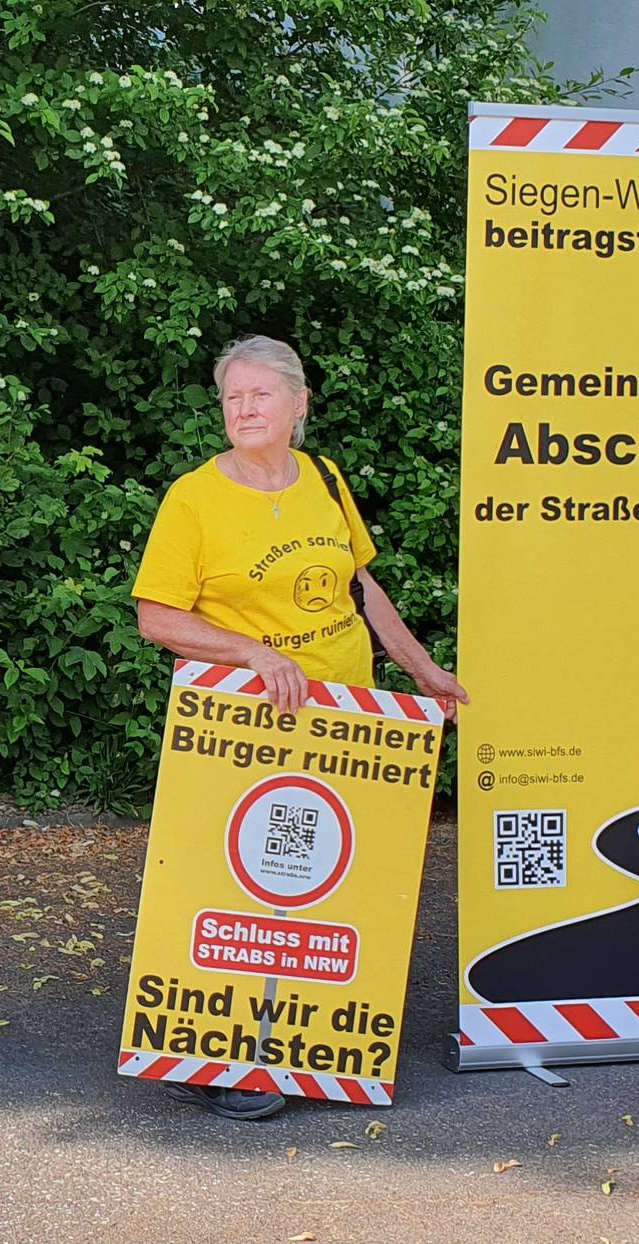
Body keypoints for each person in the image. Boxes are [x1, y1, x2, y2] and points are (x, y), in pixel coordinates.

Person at [130, 334, 467, 1119]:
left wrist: (421, 669)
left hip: (346, 722)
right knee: (242, 888)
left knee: (329, 888)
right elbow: (156, 618)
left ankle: (313, 1047)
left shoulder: (325, 478)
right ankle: (223, 1058)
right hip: (247, 726)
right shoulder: (193, 498)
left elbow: (360, 587)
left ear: (299, 403)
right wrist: (254, 653)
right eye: (232, 397)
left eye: (259, 394)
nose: (243, 409)